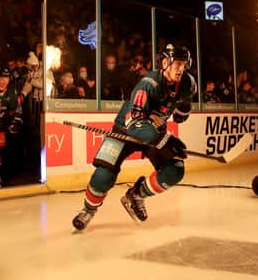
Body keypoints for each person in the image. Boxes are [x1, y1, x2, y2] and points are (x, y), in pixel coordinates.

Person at [72, 44, 197, 231]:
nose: (181, 68)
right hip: (126, 130)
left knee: (175, 170)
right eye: (177, 63)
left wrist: (182, 112)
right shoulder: (148, 84)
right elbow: (135, 122)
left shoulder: (187, 83)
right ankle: (88, 210)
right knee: (103, 175)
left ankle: (136, 195)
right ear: (165, 63)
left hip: (155, 131)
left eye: (184, 64)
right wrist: (165, 141)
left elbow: (184, 102)